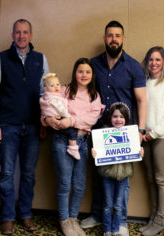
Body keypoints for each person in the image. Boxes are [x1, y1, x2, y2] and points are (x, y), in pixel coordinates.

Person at [81, 20, 147, 236]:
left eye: (117, 35)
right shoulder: (94, 64)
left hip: (124, 131)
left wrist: (141, 130)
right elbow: (83, 92)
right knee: (99, 174)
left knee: (121, 178)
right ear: (104, 38)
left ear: (123, 39)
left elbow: (141, 100)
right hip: (99, 130)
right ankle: (99, 214)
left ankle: (121, 223)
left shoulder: (133, 66)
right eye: (110, 35)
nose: (113, 39)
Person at [0, 19, 49, 234]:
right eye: (18, 32)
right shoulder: (0, 58)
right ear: (12, 35)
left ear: (31, 35)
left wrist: (43, 122)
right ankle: (7, 217)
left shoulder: (40, 59)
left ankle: (25, 214)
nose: (21, 36)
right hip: (7, 126)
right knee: (7, 174)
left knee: (29, 175)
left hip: (32, 126)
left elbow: (45, 94)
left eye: (25, 32)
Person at [43, 58, 104, 236]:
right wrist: (47, 119)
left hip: (83, 143)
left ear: (92, 75)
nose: (84, 75)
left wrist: (71, 120)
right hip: (61, 141)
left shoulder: (95, 96)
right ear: (74, 73)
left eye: (87, 72)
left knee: (79, 184)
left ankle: (73, 218)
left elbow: (90, 120)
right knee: (64, 182)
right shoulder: (63, 90)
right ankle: (64, 220)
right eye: (80, 71)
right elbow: (48, 105)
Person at [140, 47, 164, 236]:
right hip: (145, 138)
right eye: (150, 59)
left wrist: (154, 133)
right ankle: (154, 217)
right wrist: (143, 133)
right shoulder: (144, 82)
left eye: (158, 59)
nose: (154, 63)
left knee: (161, 179)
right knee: (150, 179)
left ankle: (161, 220)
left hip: (162, 138)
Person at [91, 102, 144, 236]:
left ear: (126, 119)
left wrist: (140, 152)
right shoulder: (104, 132)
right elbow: (100, 152)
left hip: (123, 175)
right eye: (115, 116)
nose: (118, 119)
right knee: (108, 205)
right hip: (106, 175)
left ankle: (116, 230)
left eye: (121, 117)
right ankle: (107, 230)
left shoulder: (131, 133)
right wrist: (95, 153)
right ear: (110, 118)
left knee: (118, 205)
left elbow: (133, 154)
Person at [40, 72, 80, 159]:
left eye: (58, 84)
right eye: (52, 85)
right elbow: (60, 109)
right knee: (73, 130)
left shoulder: (46, 97)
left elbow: (43, 111)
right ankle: (73, 148)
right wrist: (68, 117)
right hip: (59, 117)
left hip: (52, 118)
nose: (56, 87)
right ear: (45, 89)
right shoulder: (53, 98)